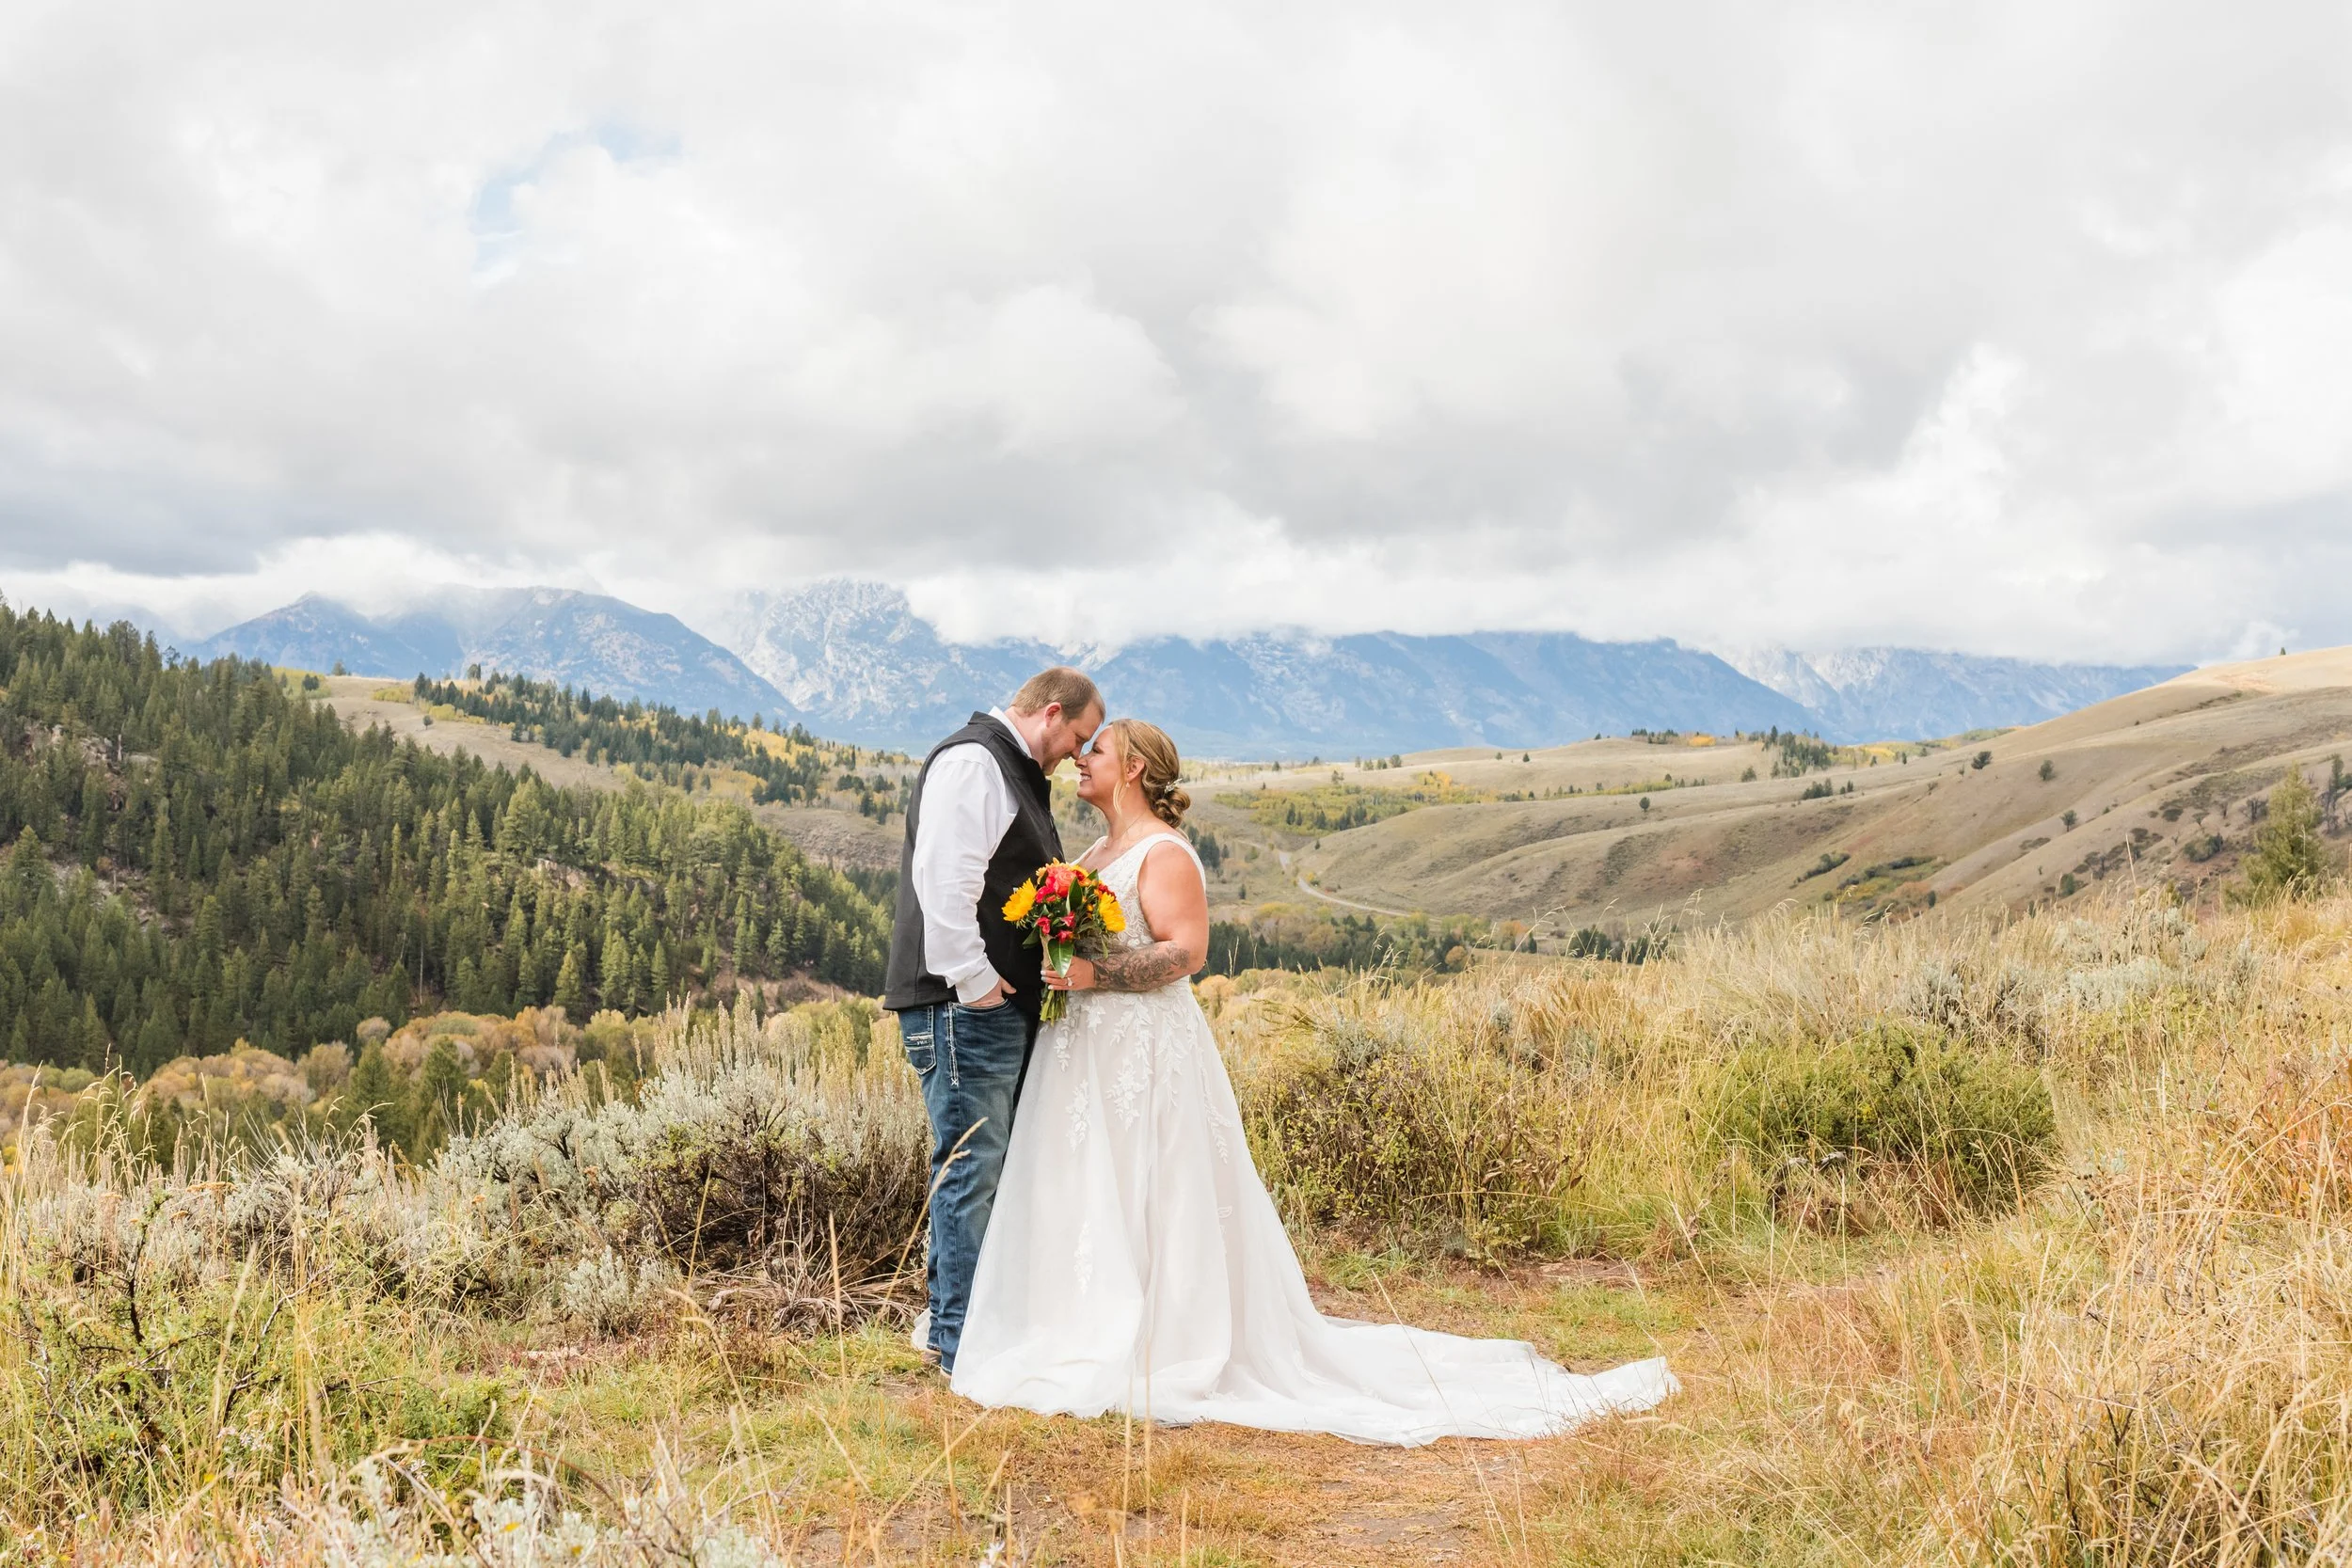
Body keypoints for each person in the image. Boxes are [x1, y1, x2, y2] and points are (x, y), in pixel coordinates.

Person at [948, 719, 1678, 1445]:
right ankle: (1078, 1321)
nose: (1080, 759)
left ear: (1134, 767)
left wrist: (1093, 974)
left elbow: (1185, 953)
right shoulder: (1096, 851)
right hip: (1088, 1054)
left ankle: (1162, 1337)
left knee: (1157, 1187)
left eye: (1095, 751)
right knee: (1091, 1185)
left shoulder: (1163, 854)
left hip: (1146, 1054)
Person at [882, 667, 1104, 1373]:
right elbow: (945, 880)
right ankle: (957, 1346)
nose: (1077, 752)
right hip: (963, 1006)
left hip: (984, 1007)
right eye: (1078, 735)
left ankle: (971, 1333)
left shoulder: (1007, 769)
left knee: (981, 1167)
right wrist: (976, 983)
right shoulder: (976, 762)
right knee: (969, 1168)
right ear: (1050, 712)